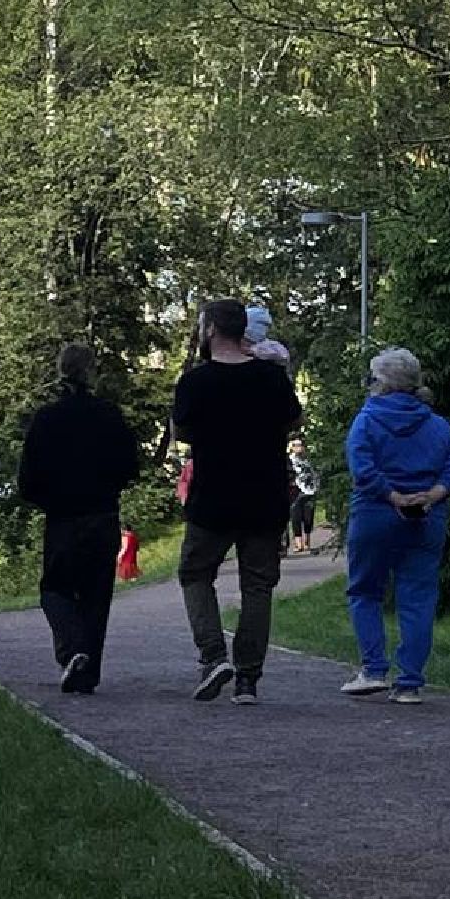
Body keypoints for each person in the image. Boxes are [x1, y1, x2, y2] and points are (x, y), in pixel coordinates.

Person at [172, 299, 303, 705]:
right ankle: (248, 678)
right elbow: (294, 422)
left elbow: (182, 432)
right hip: (265, 497)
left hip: (213, 497)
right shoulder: (272, 378)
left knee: (195, 573)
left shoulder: (195, 382)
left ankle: (213, 656)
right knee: (258, 586)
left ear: (210, 330)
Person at [340, 348, 450, 705]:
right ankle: (410, 682)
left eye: (371, 378)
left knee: (365, 591)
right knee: (418, 597)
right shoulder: (437, 424)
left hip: (375, 514)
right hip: (428, 517)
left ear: (381, 384)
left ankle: (373, 670)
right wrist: (431, 495)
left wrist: (393, 496)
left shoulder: (367, 419)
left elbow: (362, 469)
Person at [17, 345, 140, 693]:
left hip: (62, 517)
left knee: (54, 589)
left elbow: (27, 480)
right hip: (102, 514)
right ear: (92, 373)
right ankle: (87, 672)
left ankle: (72, 649)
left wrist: (48, 499)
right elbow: (130, 467)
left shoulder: (46, 419)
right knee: (96, 594)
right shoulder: (109, 415)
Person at [288, 439, 320, 553]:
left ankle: (307, 542)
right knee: (296, 518)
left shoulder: (309, 460)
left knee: (308, 517)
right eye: (295, 445)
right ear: (291, 447)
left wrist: (317, 486)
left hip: (309, 491)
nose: (298, 447)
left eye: (300, 445)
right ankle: (298, 544)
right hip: (296, 492)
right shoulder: (289, 460)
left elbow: (315, 473)